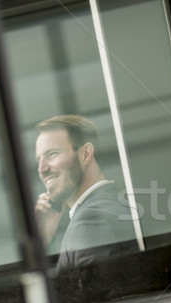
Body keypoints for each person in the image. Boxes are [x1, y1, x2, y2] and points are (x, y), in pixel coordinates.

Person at [34, 115, 137, 270]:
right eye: (39, 160)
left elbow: (77, 292)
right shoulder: (111, 205)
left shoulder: (90, 221)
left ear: (86, 154)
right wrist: (46, 238)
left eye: (52, 154)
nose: (42, 169)